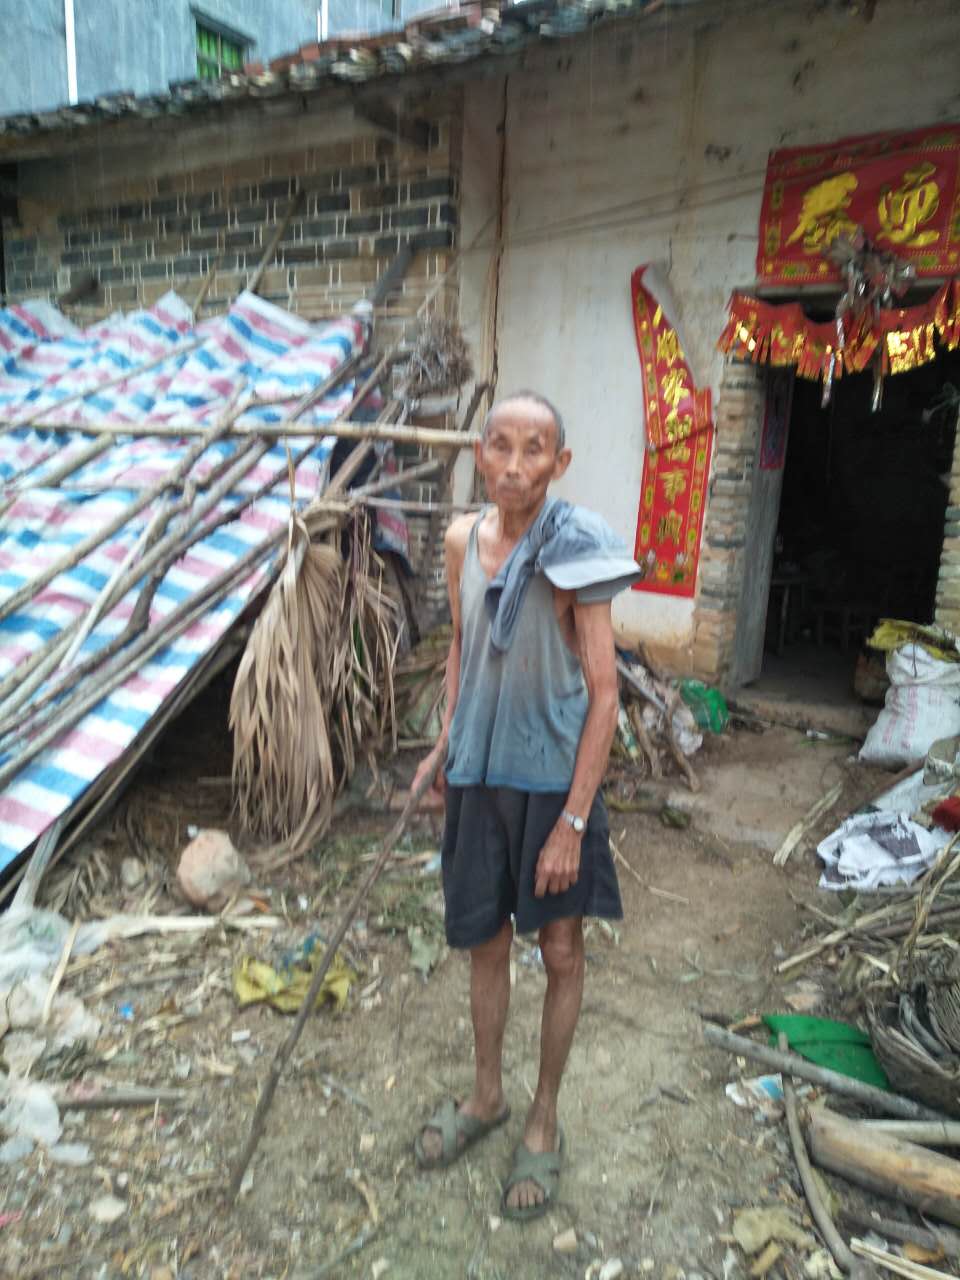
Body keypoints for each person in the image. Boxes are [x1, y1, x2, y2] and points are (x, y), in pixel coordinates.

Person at [411, 391, 640, 1221]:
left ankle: (543, 1115)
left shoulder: (577, 550)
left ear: (559, 462)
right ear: (479, 453)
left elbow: (605, 694)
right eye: (500, 446)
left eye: (533, 449)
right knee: (484, 942)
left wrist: (573, 823)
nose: (514, 465)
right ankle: (487, 1096)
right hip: (480, 776)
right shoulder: (460, 542)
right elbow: (462, 650)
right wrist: (445, 745)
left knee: (562, 949)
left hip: (552, 784)